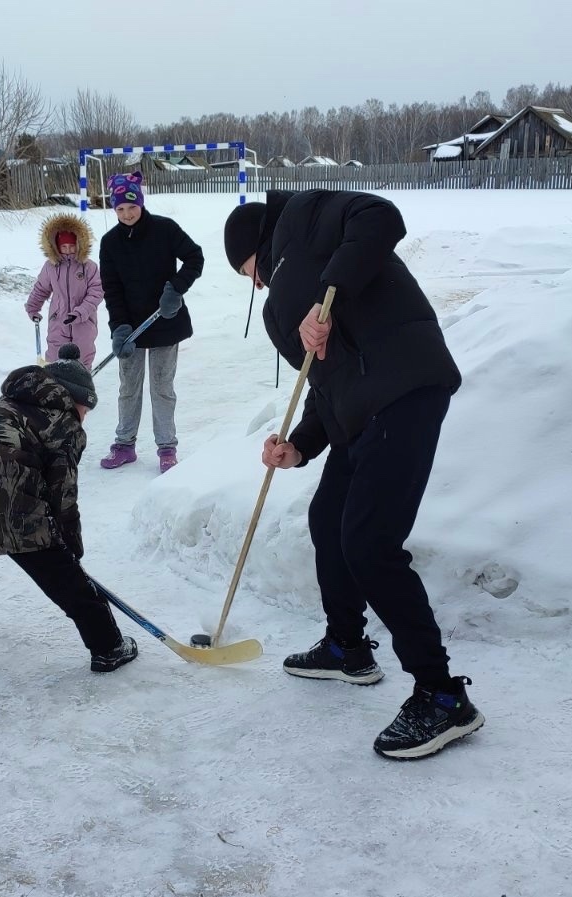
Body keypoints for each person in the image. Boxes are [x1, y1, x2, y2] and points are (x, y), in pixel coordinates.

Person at [223, 191, 484, 760]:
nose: (259, 284)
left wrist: (324, 302)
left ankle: (442, 698)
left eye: (251, 270)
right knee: (328, 520)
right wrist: (299, 447)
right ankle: (347, 648)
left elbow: (381, 217)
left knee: (370, 543)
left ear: (257, 247)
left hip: (405, 386)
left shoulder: (304, 218)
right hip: (359, 412)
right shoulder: (277, 310)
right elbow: (324, 387)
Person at [0, 343, 137, 679]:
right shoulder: (64, 426)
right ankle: (109, 648)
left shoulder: (0, 404)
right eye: (85, 407)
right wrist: (69, 546)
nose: (84, 415)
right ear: (70, 398)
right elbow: (61, 492)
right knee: (67, 582)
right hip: (14, 510)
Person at [98, 171, 204, 474]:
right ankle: (124, 444)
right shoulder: (110, 243)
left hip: (164, 321)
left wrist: (176, 288)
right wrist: (118, 327)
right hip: (131, 328)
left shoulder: (164, 230)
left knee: (161, 387)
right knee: (128, 387)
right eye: (120, 209)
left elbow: (194, 258)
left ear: (141, 203)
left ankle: (167, 447)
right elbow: (112, 288)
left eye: (132, 207)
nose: (127, 214)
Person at [25, 213, 104, 369]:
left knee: (82, 357)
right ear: (56, 246)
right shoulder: (51, 267)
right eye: (64, 247)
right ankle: (56, 389)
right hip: (58, 321)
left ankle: (82, 388)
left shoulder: (89, 267)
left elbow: (96, 292)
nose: (68, 250)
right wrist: (33, 308)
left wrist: (80, 312)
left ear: (79, 244)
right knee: (55, 358)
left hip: (84, 323)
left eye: (72, 246)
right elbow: (41, 288)